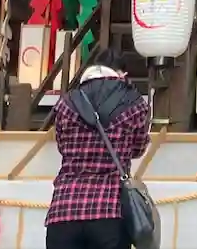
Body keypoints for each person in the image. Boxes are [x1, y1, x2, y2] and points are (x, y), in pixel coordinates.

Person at [45, 49, 152, 249]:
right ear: (121, 73)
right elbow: (138, 148)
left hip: (64, 209)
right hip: (110, 210)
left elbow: (62, 145)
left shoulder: (66, 102)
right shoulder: (134, 102)